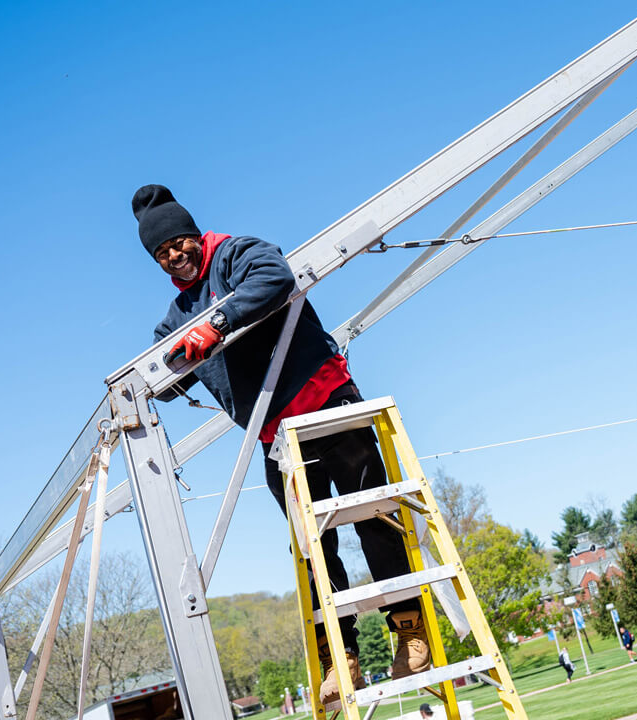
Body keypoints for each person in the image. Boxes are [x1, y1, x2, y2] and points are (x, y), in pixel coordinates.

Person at [132, 185, 430, 705]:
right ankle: (343, 657)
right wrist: (159, 376)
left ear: (193, 235)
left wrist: (218, 323)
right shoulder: (178, 312)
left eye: (179, 243)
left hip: (325, 402)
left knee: (372, 517)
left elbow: (275, 279)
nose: (174, 257)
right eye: (162, 254)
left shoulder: (236, 253)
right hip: (276, 437)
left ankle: (410, 630)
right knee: (314, 548)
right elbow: (166, 365)